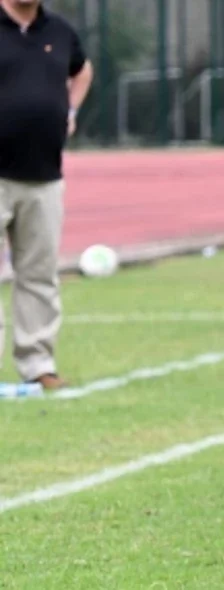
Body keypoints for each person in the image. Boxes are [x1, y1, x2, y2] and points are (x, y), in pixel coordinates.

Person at [0, 0, 94, 391]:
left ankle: (38, 364)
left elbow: (82, 69)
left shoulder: (59, 31)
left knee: (39, 275)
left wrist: (69, 109)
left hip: (44, 175)